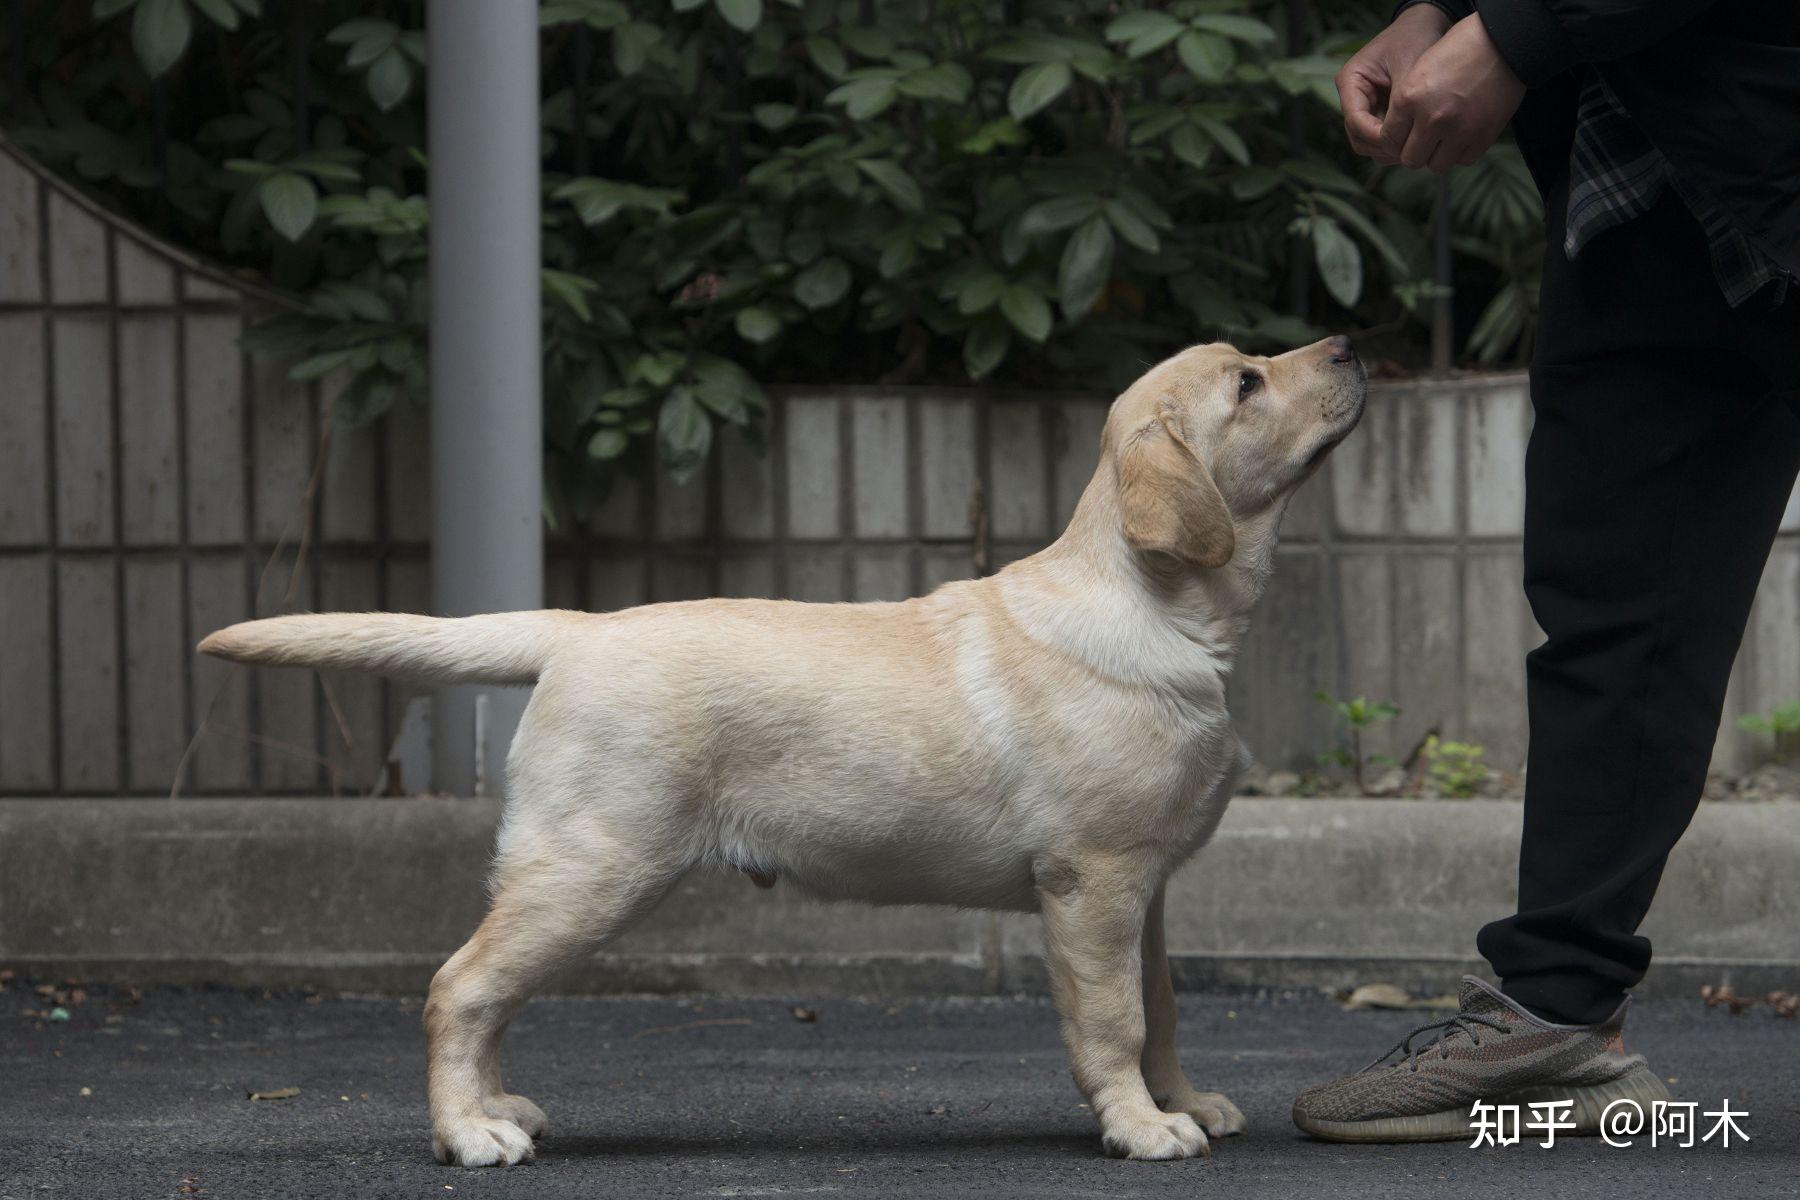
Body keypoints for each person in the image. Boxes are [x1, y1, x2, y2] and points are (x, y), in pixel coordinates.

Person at [1291, 0, 1800, 1142]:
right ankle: (1554, 1021)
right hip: (1656, 153)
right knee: (1620, 598)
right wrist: (1445, 11)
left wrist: (1515, 32)